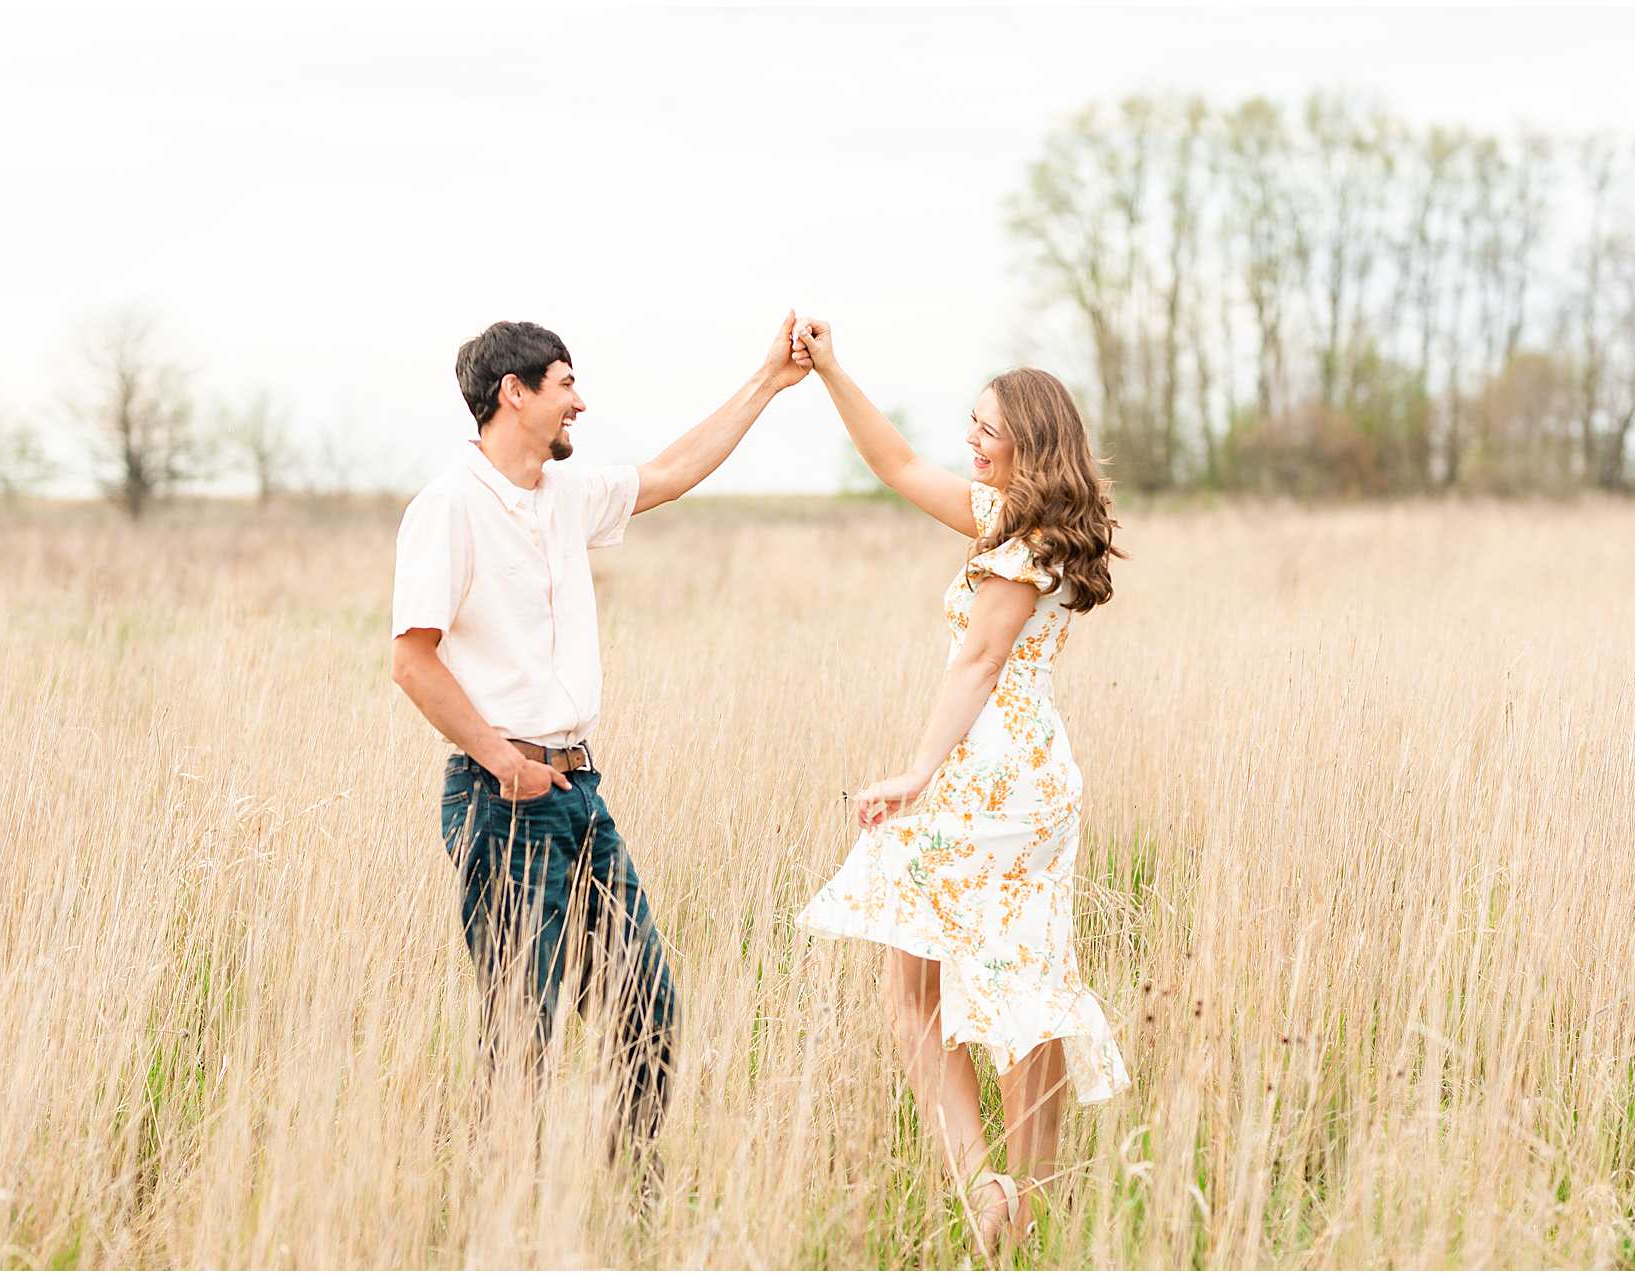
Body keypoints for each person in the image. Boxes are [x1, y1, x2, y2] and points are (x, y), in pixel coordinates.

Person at [390, 312, 809, 1188]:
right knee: (521, 1029)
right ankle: (504, 1215)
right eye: (567, 382)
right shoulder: (450, 507)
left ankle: (631, 1198)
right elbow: (412, 661)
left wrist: (768, 380)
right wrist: (504, 763)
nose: (582, 400)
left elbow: (674, 470)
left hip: (580, 793)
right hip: (500, 796)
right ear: (515, 392)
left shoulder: (565, 497)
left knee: (648, 1006)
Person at [789, 317, 1132, 1257]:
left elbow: (978, 661)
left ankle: (995, 1190)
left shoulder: (1025, 549)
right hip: (1022, 777)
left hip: (989, 780)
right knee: (1019, 985)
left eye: (986, 429)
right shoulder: (1024, 525)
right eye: (970, 425)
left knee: (924, 991)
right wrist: (831, 370)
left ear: (1030, 438)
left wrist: (915, 773)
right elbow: (897, 463)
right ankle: (1016, 1200)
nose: (969, 442)